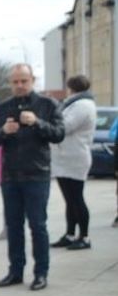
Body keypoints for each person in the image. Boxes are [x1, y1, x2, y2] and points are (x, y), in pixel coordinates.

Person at [0, 63, 64, 291]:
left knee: (38, 225)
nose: (20, 85)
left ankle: (41, 273)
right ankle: (15, 271)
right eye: (15, 82)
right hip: (10, 176)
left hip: (37, 175)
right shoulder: (2, 108)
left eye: (24, 81)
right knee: (14, 226)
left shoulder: (47, 104)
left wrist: (37, 122)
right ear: (10, 83)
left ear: (32, 80)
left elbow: (59, 134)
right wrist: (3, 131)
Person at [49, 75, 97, 251]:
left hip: (75, 158)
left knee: (76, 198)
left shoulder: (83, 105)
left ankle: (84, 236)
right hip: (64, 158)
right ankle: (70, 234)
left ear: (72, 87)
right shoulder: (73, 103)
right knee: (69, 200)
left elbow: (66, 126)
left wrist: (51, 119)